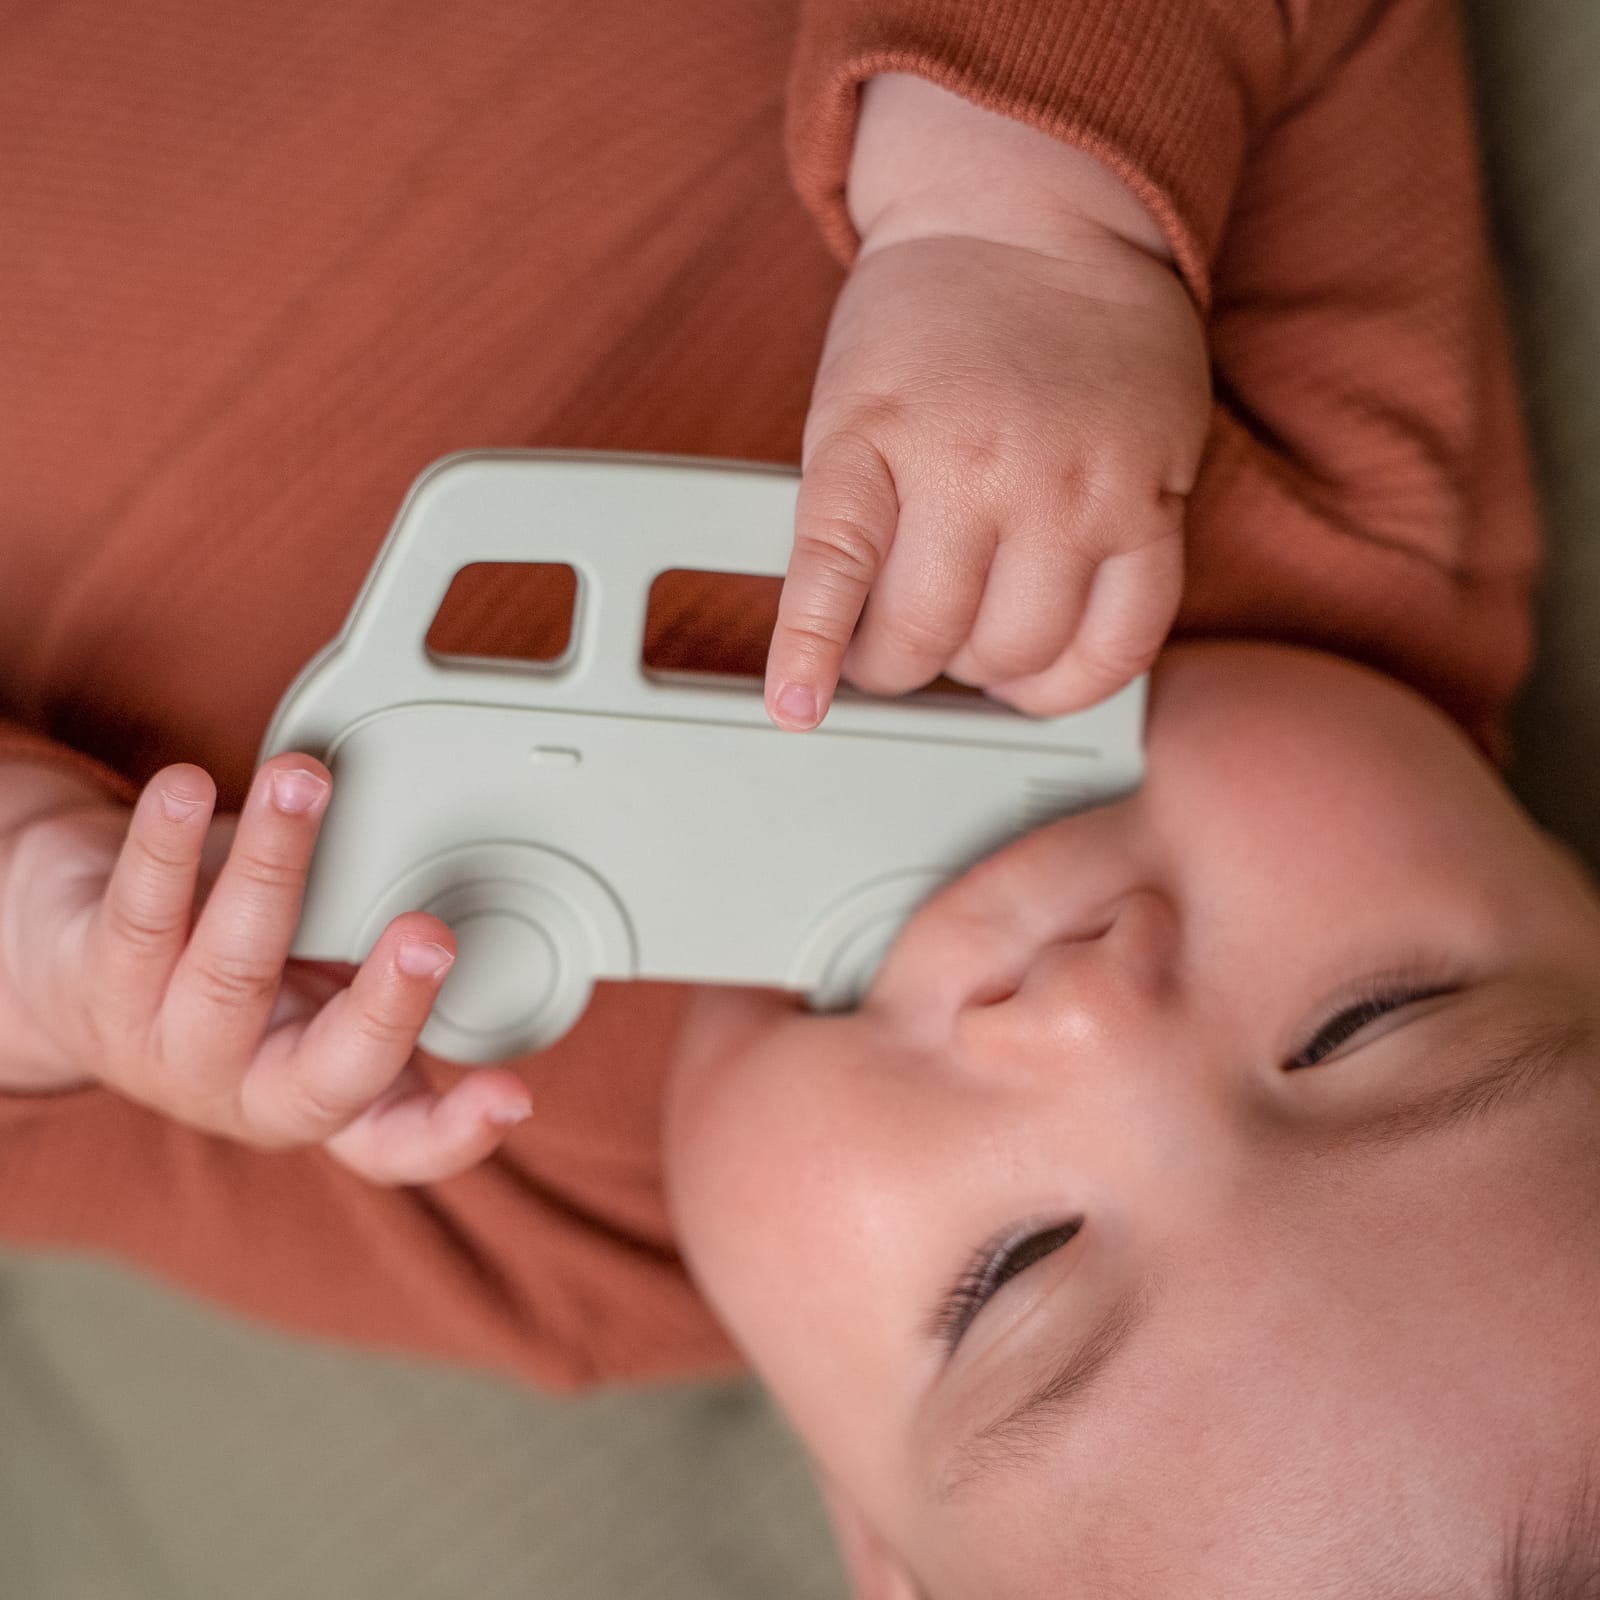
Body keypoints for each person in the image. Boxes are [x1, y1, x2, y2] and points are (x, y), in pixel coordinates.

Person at [2, 0, 1594, 1593]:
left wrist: (61, 938)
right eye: (1368, 1021)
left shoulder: (512, 1200)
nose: (1083, 1007)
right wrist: (1027, 220)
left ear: (871, 1539)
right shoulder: (1343, 509)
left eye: (1012, 1273)